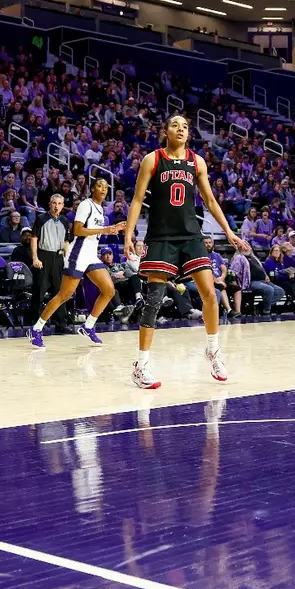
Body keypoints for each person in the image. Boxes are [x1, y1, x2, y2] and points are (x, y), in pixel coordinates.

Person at [122, 115, 250, 387]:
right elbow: (136, 199)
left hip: (191, 235)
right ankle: (141, 365)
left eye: (185, 126)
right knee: (153, 301)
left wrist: (229, 232)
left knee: (210, 294)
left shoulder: (197, 161)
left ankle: (213, 349)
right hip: (161, 237)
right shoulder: (152, 159)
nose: (181, 129)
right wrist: (128, 234)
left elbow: (210, 200)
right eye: (175, 125)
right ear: (165, 131)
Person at [29, 180, 127, 348]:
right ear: (92, 189)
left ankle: (88, 326)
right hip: (78, 254)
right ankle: (36, 329)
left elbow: (94, 234)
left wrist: (113, 229)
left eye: (105, 187)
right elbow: (78, 230)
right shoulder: (85, 205)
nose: (103, 189)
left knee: (109, 290)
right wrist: (106, 229)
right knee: (64, 295)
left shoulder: (101, 209)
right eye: (99, 186)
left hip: (91, 255)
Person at [30, 194, 70, 325]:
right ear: (50, 204)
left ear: (63, 206)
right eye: (54, 203)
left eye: (59, 203)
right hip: (44, 256)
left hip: (58, 258)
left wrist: (67, 258)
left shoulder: (64, 221)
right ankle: (36, 324)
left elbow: (66, 241)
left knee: (59, 292)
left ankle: (61, 323)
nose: (56, 206)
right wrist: (35, 258)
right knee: (40, 291)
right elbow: (34, 238)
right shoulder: (41, 218)